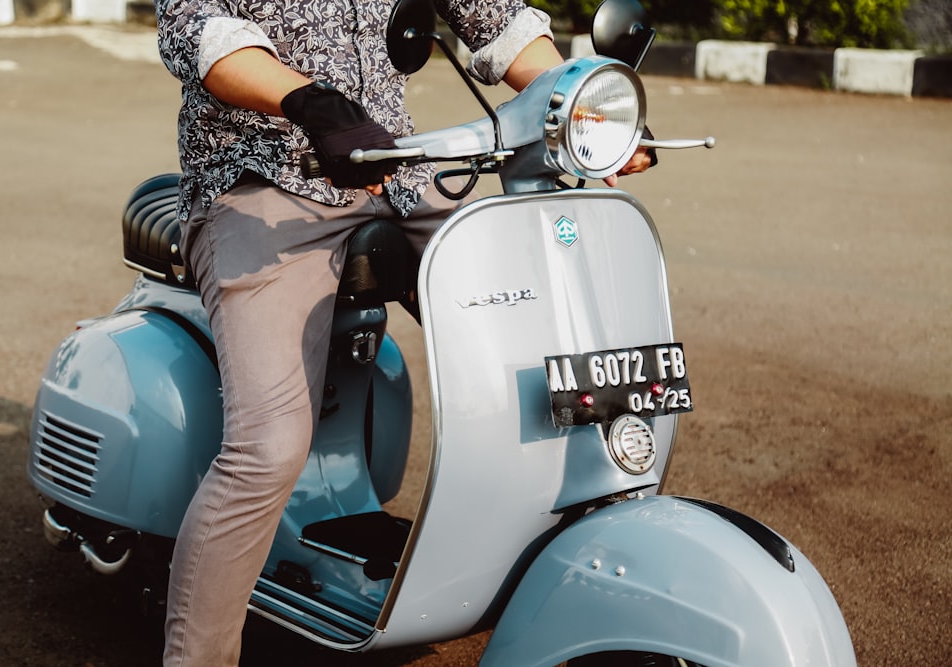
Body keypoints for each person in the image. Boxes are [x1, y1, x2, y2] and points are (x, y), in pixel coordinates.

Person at [155, 1, 654, 664]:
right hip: (259, 187)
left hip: (399, 173)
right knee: (269, 446)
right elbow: (202, 36)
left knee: (548, 357)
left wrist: (587, 105)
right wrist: (303, 99)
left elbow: (498, 24)